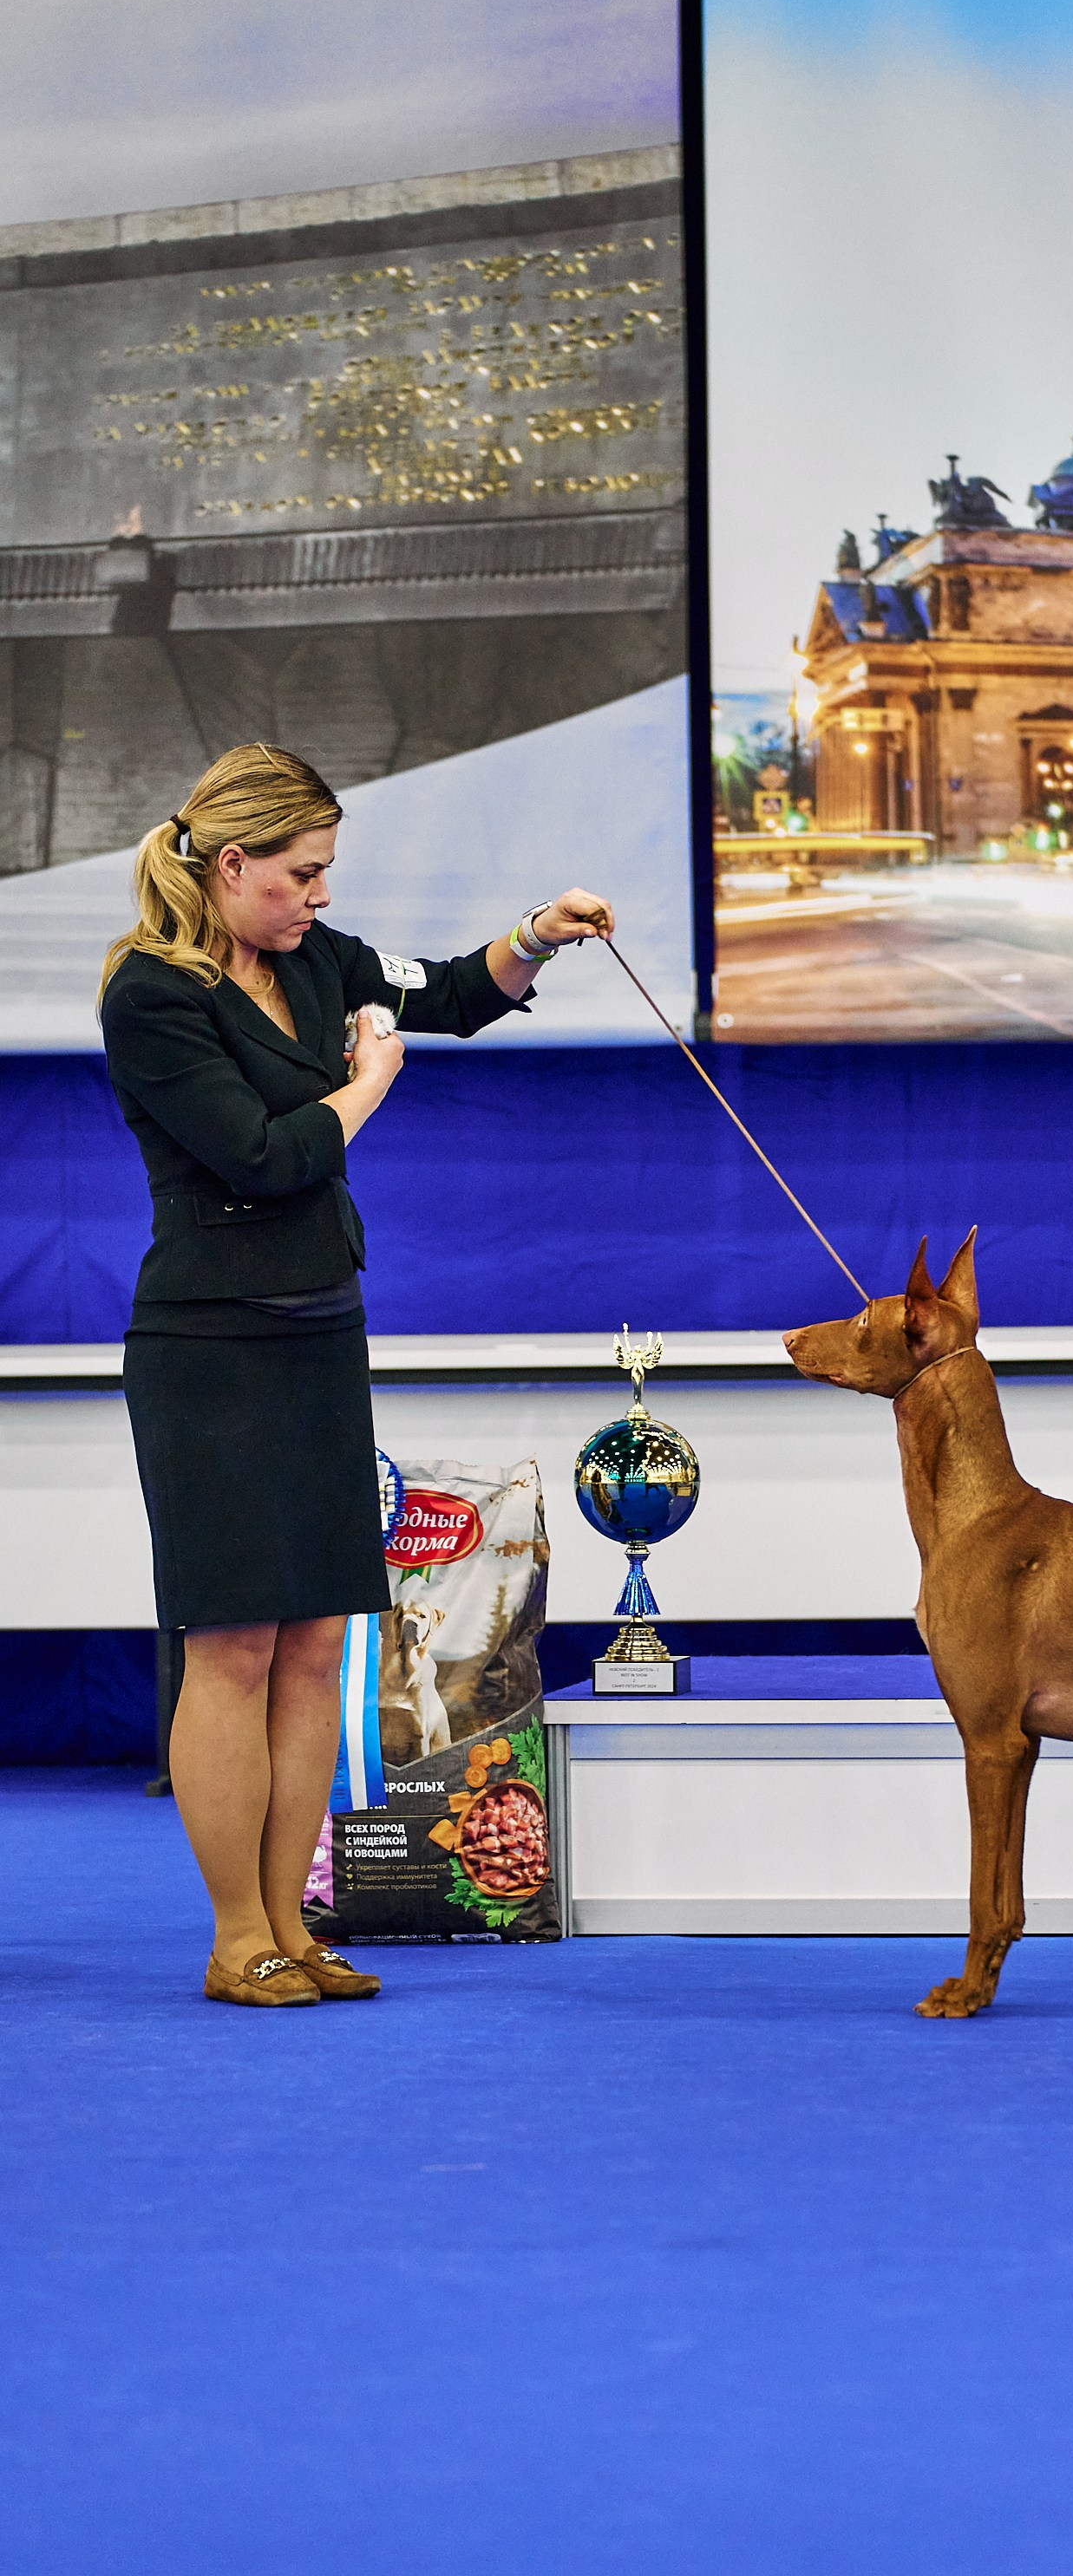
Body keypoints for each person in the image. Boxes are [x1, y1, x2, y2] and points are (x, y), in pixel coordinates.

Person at [98, 742, 614, 2006]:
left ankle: (292, 1923)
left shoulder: (314, 960)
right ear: (231, 865)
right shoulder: (153, 996)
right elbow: (263, 1159)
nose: (320, 899)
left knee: (318, 1643)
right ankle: (236, 1939)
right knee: (229, 1650)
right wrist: (372, 1079)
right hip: (209, 1352)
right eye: (300, 875)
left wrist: (537, 938)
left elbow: (446, 988)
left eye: (328, 876)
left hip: (320, 1334)